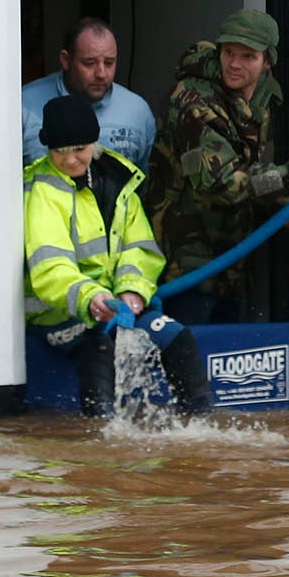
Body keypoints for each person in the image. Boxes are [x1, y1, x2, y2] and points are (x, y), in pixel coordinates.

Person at [144, 9, 289, 326]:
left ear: (267, 62)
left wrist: (281, 207)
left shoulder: (261, 98)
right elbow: (220, 184)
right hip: (185, 265)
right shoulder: (193, 101)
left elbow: (247, 170)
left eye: (248, 56)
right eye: (229, 52)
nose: (234, 64)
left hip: (231, 262)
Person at [24, 92, 211, 418]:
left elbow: (140, 249)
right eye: (60, 151)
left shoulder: (119, 182)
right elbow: (50, 265)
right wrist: (90, 297)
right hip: (62, 312)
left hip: (119, 305)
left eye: (79, 149)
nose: (70, 160)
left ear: (94, 143)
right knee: (99, 345)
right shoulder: (40, 190)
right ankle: (102, 442)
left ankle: (199, 430)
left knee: (178, 338)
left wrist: (132, 290)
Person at [20, 16, 156, 165]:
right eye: (89, 63)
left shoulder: (137, 111)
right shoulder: (24, 106)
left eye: (109, 63)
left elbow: (145, 182)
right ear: (66, 60)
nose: (101, 74)